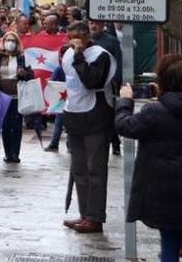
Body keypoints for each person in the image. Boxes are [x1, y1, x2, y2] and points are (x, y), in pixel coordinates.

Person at [115, 55, 182, 261]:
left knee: (169, 243)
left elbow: (124, 125)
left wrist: (125, 101)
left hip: (163, 192)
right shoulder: (157, 110)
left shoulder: (155, 112)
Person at [61, 21, 117, 234]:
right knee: (79, 170)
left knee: (95, 169)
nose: (73, 41)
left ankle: (95, 217)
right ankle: (85, 213)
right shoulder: (67, 54)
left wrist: (78, 55)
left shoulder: (100, 55)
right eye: (70, 37)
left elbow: (91, 81)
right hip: (74, 115)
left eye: (77, 37)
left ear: (86, 37)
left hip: (96, 116)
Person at [0, 31, 35, 164]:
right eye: (8, 40)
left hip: (17, 95)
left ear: (17, 43)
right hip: (2, 96)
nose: (10, 43)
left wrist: (24, 73)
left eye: (13, 40)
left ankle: (15, 153)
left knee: (16, 125)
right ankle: (7, 153)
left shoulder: (21, 57)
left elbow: (30, 76)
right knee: (5, 126)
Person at [89, 20, 124, 155]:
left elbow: (118, 60)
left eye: (96, 23)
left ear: (102, 25)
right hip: (90, 84)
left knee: (109, 115)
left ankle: (115, 142)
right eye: (91, 23)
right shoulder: (86, 40)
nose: (93, 26)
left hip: (107, 85)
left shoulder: (111, 41)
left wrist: (116, 79)